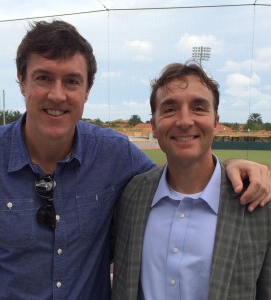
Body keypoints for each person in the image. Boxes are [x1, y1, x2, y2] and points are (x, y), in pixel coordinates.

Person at [0, 21, 269, 300]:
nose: (57, 94)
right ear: (22, 81)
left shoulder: (115, 154)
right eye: (43, 78)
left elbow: (183, 175)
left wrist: (232, 166)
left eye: (72, 81)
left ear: (87, 90)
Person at [112, 62, 271, 300]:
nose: (185, 121)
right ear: (154, 126)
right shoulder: (132, 195)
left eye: (198, 108)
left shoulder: (259, 203)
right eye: (169, 109)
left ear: (216, 123)